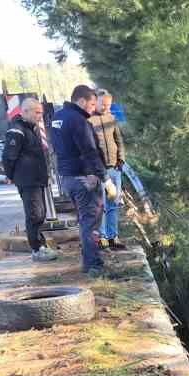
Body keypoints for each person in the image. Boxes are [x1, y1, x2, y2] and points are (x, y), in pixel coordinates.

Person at [52, 84, 106, 277]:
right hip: (84, 178)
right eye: (92, 104)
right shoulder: (78, 120)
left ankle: (88, 261)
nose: (93, 109)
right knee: (90, 223)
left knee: (84, 221)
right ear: (81, 101)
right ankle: (94, 266)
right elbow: (89, 151)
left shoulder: (57, 117)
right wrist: (103, 177)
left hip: (68, 177)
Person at [2, 97, 59, 262]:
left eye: (41, 112)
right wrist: (10, 175)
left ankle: (40, 245)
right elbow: (8, 156)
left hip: (36, 179)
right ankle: (36, 248)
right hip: (27, 180)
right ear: (25, 111)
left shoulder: (31, 128)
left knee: (40, 214)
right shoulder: (17, 130)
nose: (40, 116)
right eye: (37, 112)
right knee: (34, 214)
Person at [90, 89, 128, 250]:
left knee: (113, 204)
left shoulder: (111, 118)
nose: (106, 107)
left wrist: (121, 159)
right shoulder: (89, 121)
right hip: (99, 171)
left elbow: (119, 140)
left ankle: (114, 236)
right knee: (101, 206)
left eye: (108, 105)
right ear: (96, 102)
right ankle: (103, 236)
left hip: (114, 168)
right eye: (103, 104)